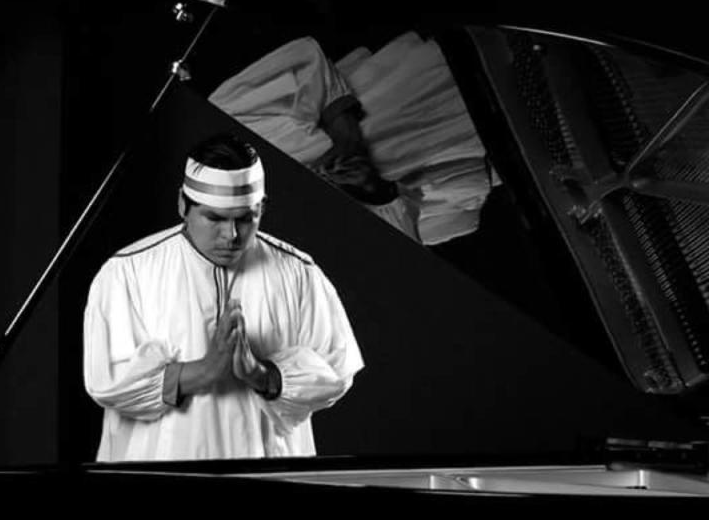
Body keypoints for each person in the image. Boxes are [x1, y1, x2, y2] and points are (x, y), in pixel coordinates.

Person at [83, 133, 364, 461]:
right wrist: (203, 370)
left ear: (262, 207)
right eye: (214, 218)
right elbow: (108, 381)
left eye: (246, 218)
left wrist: (259, 374)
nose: (231, 236)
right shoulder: (127, 272)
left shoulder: (299, 272)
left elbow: (336, 371)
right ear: (182, 204)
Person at [209, 32, 501, 245]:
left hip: (429, 88)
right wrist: (371, 189)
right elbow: (398, 254)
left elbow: (306, 62)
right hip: (464, 165)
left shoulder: (218, 133)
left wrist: (346, 137)